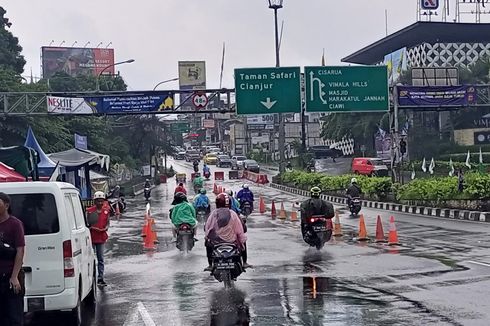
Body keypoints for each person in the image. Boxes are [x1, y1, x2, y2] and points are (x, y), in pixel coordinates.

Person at [204, 193, 249, 271]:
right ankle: (244, 262)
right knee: (243, 241)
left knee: (207, 242)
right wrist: (242, 241)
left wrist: (208, 237)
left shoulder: (213, 214)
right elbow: (240, 231)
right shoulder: (233, 214)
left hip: (216, 242)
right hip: (232, 241)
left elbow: (208, 228)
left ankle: (210, 265)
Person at [0, 192, 25, 326]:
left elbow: (20, 251)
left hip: (10, 276)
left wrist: (14, 276)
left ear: (6, 205)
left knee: (13, 317)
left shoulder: (15, 224)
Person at [87, 191, 110, 286]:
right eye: (98, 201)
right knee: (90, 259)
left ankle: (100, 278)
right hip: (92, 238)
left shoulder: (106, 211)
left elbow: (108, 222)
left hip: (101, 238)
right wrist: (93, 228)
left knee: (100, 259)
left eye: (101, 201)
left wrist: (106, 228)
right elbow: (87, 225)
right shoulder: (89, 211)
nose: (100, 203)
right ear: (94, 201)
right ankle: (90, 279)